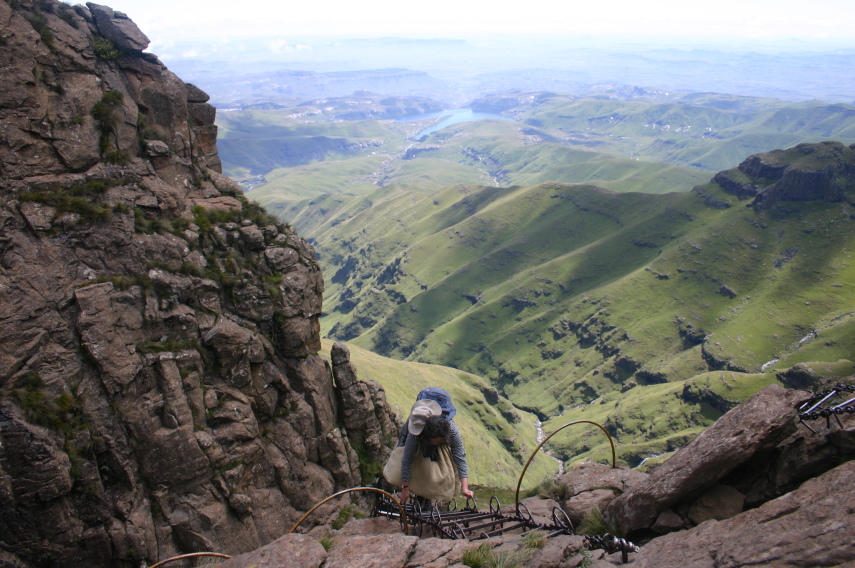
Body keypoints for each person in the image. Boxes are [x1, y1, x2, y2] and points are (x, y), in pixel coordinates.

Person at [397, 389, 474, 505]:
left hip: (438, 437)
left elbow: (460, 456)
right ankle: (419, 493)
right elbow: (407, 458)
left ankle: (431, 498)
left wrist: (465, 488)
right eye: (434, 442)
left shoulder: (452, 429)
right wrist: (405, 488)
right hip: (421, 438)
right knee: (418, 463)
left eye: (439, 442)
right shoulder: (415, 430)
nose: (435, 444)